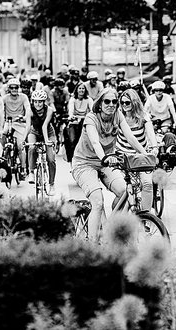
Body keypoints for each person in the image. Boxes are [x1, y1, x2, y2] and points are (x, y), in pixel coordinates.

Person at [71, 87, 148, 241]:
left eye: (114, 101)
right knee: (98, 202)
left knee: (125, 192)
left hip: (106, 163)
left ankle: (110, 228)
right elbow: (94, 141)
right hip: (84, 163)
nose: (111, 104)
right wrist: (105, 157)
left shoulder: (117, 115)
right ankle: (93, 248)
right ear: (100, 104)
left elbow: (131, 137)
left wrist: (146, 155)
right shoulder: (91, 118)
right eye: (107, 101)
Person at [117, 88, 158, 211]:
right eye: (122, 102)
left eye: (127, 103)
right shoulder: (118, 115)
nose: (124, 105)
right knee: (129, 187)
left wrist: (154, 147)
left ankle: (145, 216)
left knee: (147, 184)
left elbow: (150, 133)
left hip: (141, 155)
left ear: (134, 102)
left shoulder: (143, 116)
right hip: (123, 155)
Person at [26, 90, 57, 194]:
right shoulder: (29, 110)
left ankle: (51, 184)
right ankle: (31, 172)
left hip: (48, 133)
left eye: (40, 102)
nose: (37, 104)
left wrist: (47, 141)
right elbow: (28, 127)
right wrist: (23, 140)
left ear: (44, 102)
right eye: (35, 101)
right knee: (31, 147)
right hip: (34, 132)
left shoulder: (49, 110)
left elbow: (44, 126)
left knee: (51, 159)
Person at [2, 78, 32, 179]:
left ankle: (23, 169)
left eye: (16, 87)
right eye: (12, 88)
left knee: (20, 146)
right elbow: (1, 110)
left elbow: (28, 108)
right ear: (8, 88)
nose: (14, 89)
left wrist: (24, 117)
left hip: (20, 123)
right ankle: (4, 156)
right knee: (1, 135)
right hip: (8, 122)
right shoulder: (5, 98)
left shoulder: (23, 97)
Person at [66, 82, 93, 163]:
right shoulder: (73, 99)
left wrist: (88, 117)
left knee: (87, 140)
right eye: (80, 88)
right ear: (77, 90)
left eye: (83, 88)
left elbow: (92, 111)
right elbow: (71, 111)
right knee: (72, 140)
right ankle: (71, 159)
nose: (81, 90)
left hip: (85, 121)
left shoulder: (88, 99)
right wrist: (71, 116)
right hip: (74, 121)